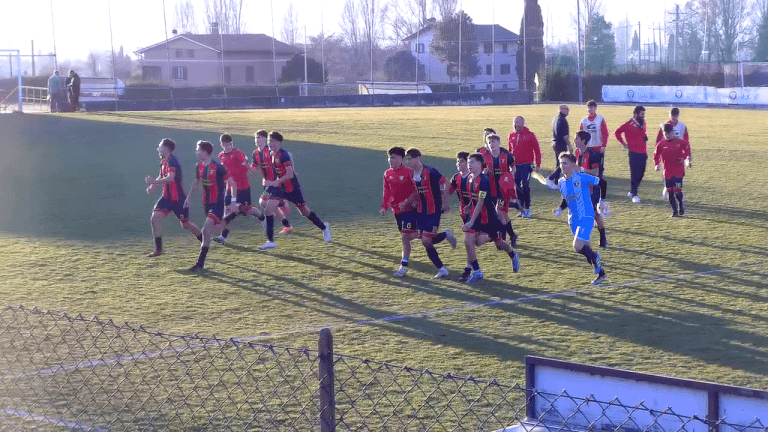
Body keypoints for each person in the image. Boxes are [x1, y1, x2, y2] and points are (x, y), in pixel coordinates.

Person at [259, 131, 331, 249]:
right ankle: (270, 241)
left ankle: (324, 227)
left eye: (271, 141)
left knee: (304, 212)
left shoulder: (283, 155)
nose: (269, 143)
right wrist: (273, 184)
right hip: (280, 189)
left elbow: (290, 175)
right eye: (268, 141)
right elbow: (279, 172)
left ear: (279, 142)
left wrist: (275, 182)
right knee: (268, 208)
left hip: (292, 189)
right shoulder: (272, 154)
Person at [462, 153, 521, 284]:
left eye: (472, 162)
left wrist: (471, 221)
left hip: (489, 218)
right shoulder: (470, 179)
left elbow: (481, 202)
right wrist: (468, 206)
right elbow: (474, 198)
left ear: (480, 164)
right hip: (477, 216)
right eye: (468, 162)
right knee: (468, 241)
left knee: (498, 241)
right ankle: (477, 272)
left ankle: (513, 254)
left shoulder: (483, 181)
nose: (469, 165)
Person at [145, 138, 203, 257]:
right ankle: (158, 249)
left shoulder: (173, 162)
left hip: (179, 200)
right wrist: (153, 186)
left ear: (166, 149)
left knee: (185, 225)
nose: (158, 148)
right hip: (166, 197)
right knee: (154, 218)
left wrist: (154, 181)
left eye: (160, 146)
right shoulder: (163, 161)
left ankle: (204, 241)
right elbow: (162, 175)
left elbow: (170, 178)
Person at [186, 140, 238, 271]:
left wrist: (232, 201)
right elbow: (196, 182)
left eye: (198, 150)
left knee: (205, 230)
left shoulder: (218, 168)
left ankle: (200, 263)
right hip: (207, 203)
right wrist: (189, 198)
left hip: (217, 203)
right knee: (209, 232)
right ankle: (226, 222)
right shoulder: (199, 166)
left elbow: (233, 185)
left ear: (205, 151)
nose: (196, 152)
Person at [557, 152, 606, 285]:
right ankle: (601, 273)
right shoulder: (561, 182)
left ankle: (596, 257)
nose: (562, 166)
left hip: (587, 216)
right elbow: (566, 200)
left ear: (573, 165)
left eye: (565, 163)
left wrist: (602, 200)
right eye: (561, 163)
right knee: (586, 249)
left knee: (577, 246)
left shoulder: (582, 178)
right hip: (573, 220)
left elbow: (603, 182)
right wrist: (560, 209)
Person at [405, 147, 455, 278]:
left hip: (434, 210)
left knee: (426, 240)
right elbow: (417, 191)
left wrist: (445, 201)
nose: (408, 161)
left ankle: (442, 269)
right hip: (421, 211)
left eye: (410, 159)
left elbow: (447, 183)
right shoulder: (411, 174)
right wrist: (413, 202)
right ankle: (446, 236)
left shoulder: (430, 171)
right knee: (425, 239)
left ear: (417, 158)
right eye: (407, 159)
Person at [212, 134, 264, 244]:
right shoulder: (221, 155)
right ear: (222, 145)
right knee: (226, 211)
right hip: (229, 187)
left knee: (246, 210)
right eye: (226, 145)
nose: (229, 147)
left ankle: (262, 218)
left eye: (230, 144)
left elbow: (249, 169)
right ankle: (223, 237)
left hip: (242, 186)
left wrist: (250, 167)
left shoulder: (237, 154)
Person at [381, 146, 420, 277]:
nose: (390, 160)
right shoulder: (387, 174)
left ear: (401, 158)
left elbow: (417, 189)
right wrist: (384, 206)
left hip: (410, 209)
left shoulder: (409, 172)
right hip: (397, 210)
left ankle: (403, 266)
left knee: (405, 237)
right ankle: (432, 234)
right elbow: (387, 192)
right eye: (389, 157)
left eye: (393, 157)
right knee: (409, 236)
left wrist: (409, 202)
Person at [250, 129, 292, 233]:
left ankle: (283, 203)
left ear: (265, 139)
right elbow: (254, 169)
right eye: (256, 137)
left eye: (259, 137)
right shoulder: (255, 153)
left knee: (264, 203)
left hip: (275, 182)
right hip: (266, 182)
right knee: (264, 203)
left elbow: (278, 166)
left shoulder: (270, 151)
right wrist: (245, 165)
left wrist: (278, 181)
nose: (256, 140)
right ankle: (286, 224)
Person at [481, 133, 519, 245]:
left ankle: (502, 238)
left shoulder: (506, 156)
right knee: (502, 214)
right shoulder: (485, 158)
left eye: (494, 142)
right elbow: (482, 172)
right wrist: (484, 173)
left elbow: (513, 165)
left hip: (504, 189)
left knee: (499, 211)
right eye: (489, 143)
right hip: (491, 189)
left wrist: (512, 173)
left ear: (499, 143)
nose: (492, 144)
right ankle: (511, 235)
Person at [449, 151, 476, 281]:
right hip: (464, 214)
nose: (459, 164)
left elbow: (477, 196)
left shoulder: (474, 177)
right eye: (458, 161)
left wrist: (470, 205)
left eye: (462, 161)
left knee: (469, 242)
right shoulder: (456, 178)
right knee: (472, 241)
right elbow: (448, 191)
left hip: (475, 213)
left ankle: (469, 270)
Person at [654, 123, 691, 217]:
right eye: (666, 133)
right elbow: (656, 155)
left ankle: (681, 205)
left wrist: (685, 157)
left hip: (678, 172)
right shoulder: (661, 145)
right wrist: (656, 164)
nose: (667, 135)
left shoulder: (679, 142)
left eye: (669, 133)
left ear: (673, 133)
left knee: (678, 191)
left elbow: (687, 148)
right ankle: (674, 212)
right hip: (667, 172)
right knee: (670, 192)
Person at [580, 100, 610, 213]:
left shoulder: (600, 119)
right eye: (588, 108)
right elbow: (581, 134)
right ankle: (590, 199)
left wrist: (603, 145)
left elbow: (605, 133)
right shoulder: (584, 120)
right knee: (587, 174)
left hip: (598, 149)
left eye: (592, 107)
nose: (590, 109)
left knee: (598, 175)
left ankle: (599, 201)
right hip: (587, 150)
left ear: (595, 108)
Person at [508, 116, 542, 217]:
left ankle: (527, 209)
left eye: (517, 122)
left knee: (525, 185)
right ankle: (521, 208)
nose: (515, 124)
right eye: (514, 122)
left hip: (527, 165)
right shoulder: (511, 136)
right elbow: (510, 151)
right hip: (516, 166)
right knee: (517, 187)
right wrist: (510, 165)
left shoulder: (530, 135)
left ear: (523, 123)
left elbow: (537, 150)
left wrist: (538, 164)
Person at [614, 106, 649, 203]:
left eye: (644, 114)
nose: (643, 116)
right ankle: (635, 194)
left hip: (643, 152)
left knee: (641, 174)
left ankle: (632, 191)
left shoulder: (643, 123)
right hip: (633, 153)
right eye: (642, 114)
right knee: (634, 174)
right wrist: (624, 143)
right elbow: (617, 133)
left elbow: (642, 134)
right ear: (636, 114)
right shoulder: (628, 124)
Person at [655, 107, 692, 198]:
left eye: (675, 116)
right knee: (667, 172)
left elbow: (686, 141)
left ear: (678, 116)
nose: (673, 118)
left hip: (679, 154)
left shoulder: (682, 126)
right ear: (669, 115)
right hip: (667, 152)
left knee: (679, 175)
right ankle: (667, 187)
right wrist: (657, 160)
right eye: (672, 116)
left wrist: (688, 155)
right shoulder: (664, 126)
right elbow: (658, 141)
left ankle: (678, 193)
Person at [547, 105, 572, 189]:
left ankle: (556, 183)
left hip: (555, 143)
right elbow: (565, 135)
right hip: (561, 143)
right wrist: (569, 145)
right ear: (562, 110)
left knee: (558, 163)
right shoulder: (563, 120)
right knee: (563, 163)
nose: (568, 111)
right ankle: (550, 178)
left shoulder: (556, 119)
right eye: (567, 109)